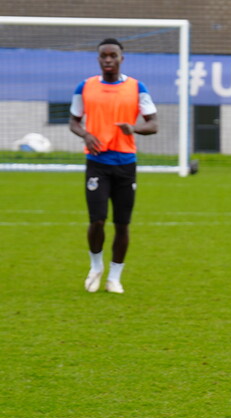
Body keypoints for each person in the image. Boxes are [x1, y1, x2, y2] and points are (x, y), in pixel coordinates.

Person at [70, 38, 158, 294]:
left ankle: (115, 277)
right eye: (103, 56)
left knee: (122, 224)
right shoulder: (85, 87)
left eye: (113, 55)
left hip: (125, 165)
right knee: (97, 221)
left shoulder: (136, 87)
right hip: (97, 163)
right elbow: (74, 121)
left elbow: (153, 124)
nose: (108, 60)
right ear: (98, 59)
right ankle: (95, 266)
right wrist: (85, 134)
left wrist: (135, 128)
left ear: (122, 58)